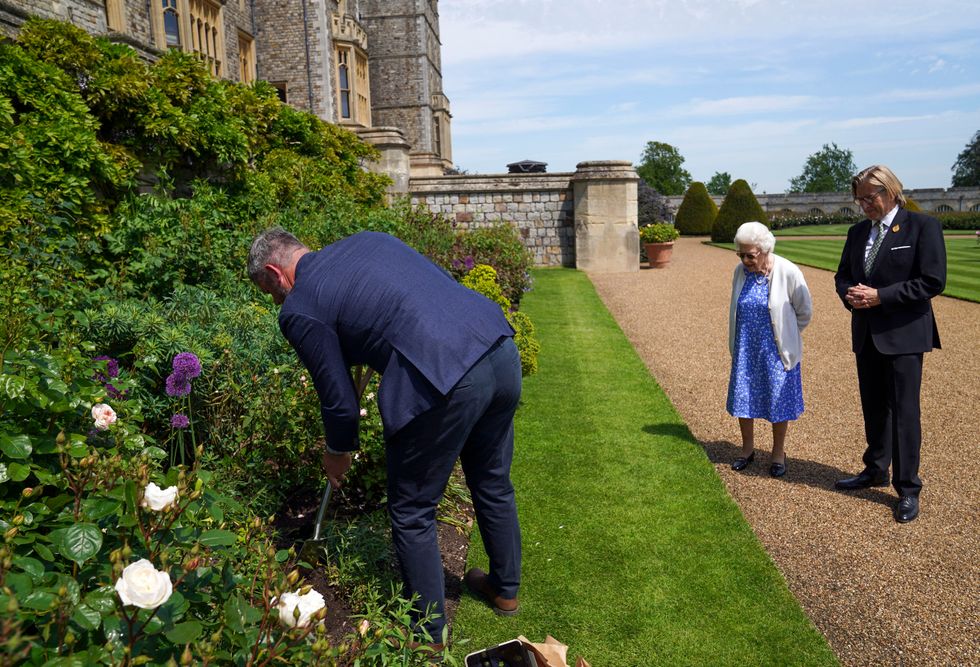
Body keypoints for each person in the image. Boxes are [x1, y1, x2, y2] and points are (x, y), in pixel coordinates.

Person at [247, 228, 523, 644]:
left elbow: (338, 402)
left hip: (446, 375)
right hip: (497, 346)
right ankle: (504, 590)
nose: (276, 302)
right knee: (491, 480)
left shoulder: (300, 306)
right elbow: (400, 304)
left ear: (275, 271)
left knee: (412, 509)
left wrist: (337, 451)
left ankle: (428, 633)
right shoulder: (367, 240)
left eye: (271, 292)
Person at [833, 165, 946, 524]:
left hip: (904, 332)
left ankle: (909, 488)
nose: (865, 204)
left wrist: (881, 296)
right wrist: (850, 295)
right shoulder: (857, 233)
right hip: (866, 332)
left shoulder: (922, 227)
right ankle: (876, 469)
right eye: (860, 199)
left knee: (905, 412)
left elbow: (932, 281)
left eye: (871, 197)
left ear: (892, 191)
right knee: (874, 408)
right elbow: (843, 275)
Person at [726, 221, 812, 478]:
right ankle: (747, 449)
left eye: (749, 255)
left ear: (765, 250)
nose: (744, 260)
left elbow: (804, 312)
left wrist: (787, 337)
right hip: (746, 350)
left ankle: (777, 453)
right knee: (744, 400)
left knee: (778, 402)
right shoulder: (740, 272)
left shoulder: (787, 271)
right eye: (740, 254)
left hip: (776, 352)